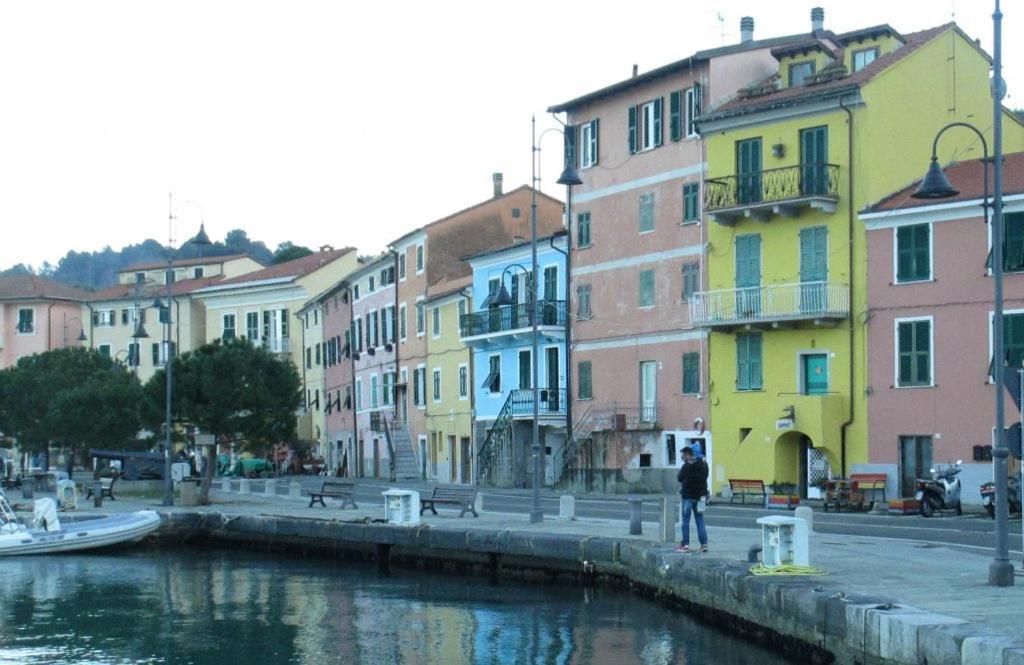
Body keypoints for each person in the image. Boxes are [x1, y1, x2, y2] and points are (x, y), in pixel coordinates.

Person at [676, 446, 709, 553]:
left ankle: (685, 544)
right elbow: (705, 477)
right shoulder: (704, 464)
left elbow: (680, 478)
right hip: (700, 497)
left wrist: (686, 467)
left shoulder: (687, 466)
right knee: (700, 520)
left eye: (684, 455)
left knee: (685, 521)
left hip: (688, 497)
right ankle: (704, 544)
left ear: (689, 455)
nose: (682, 457)